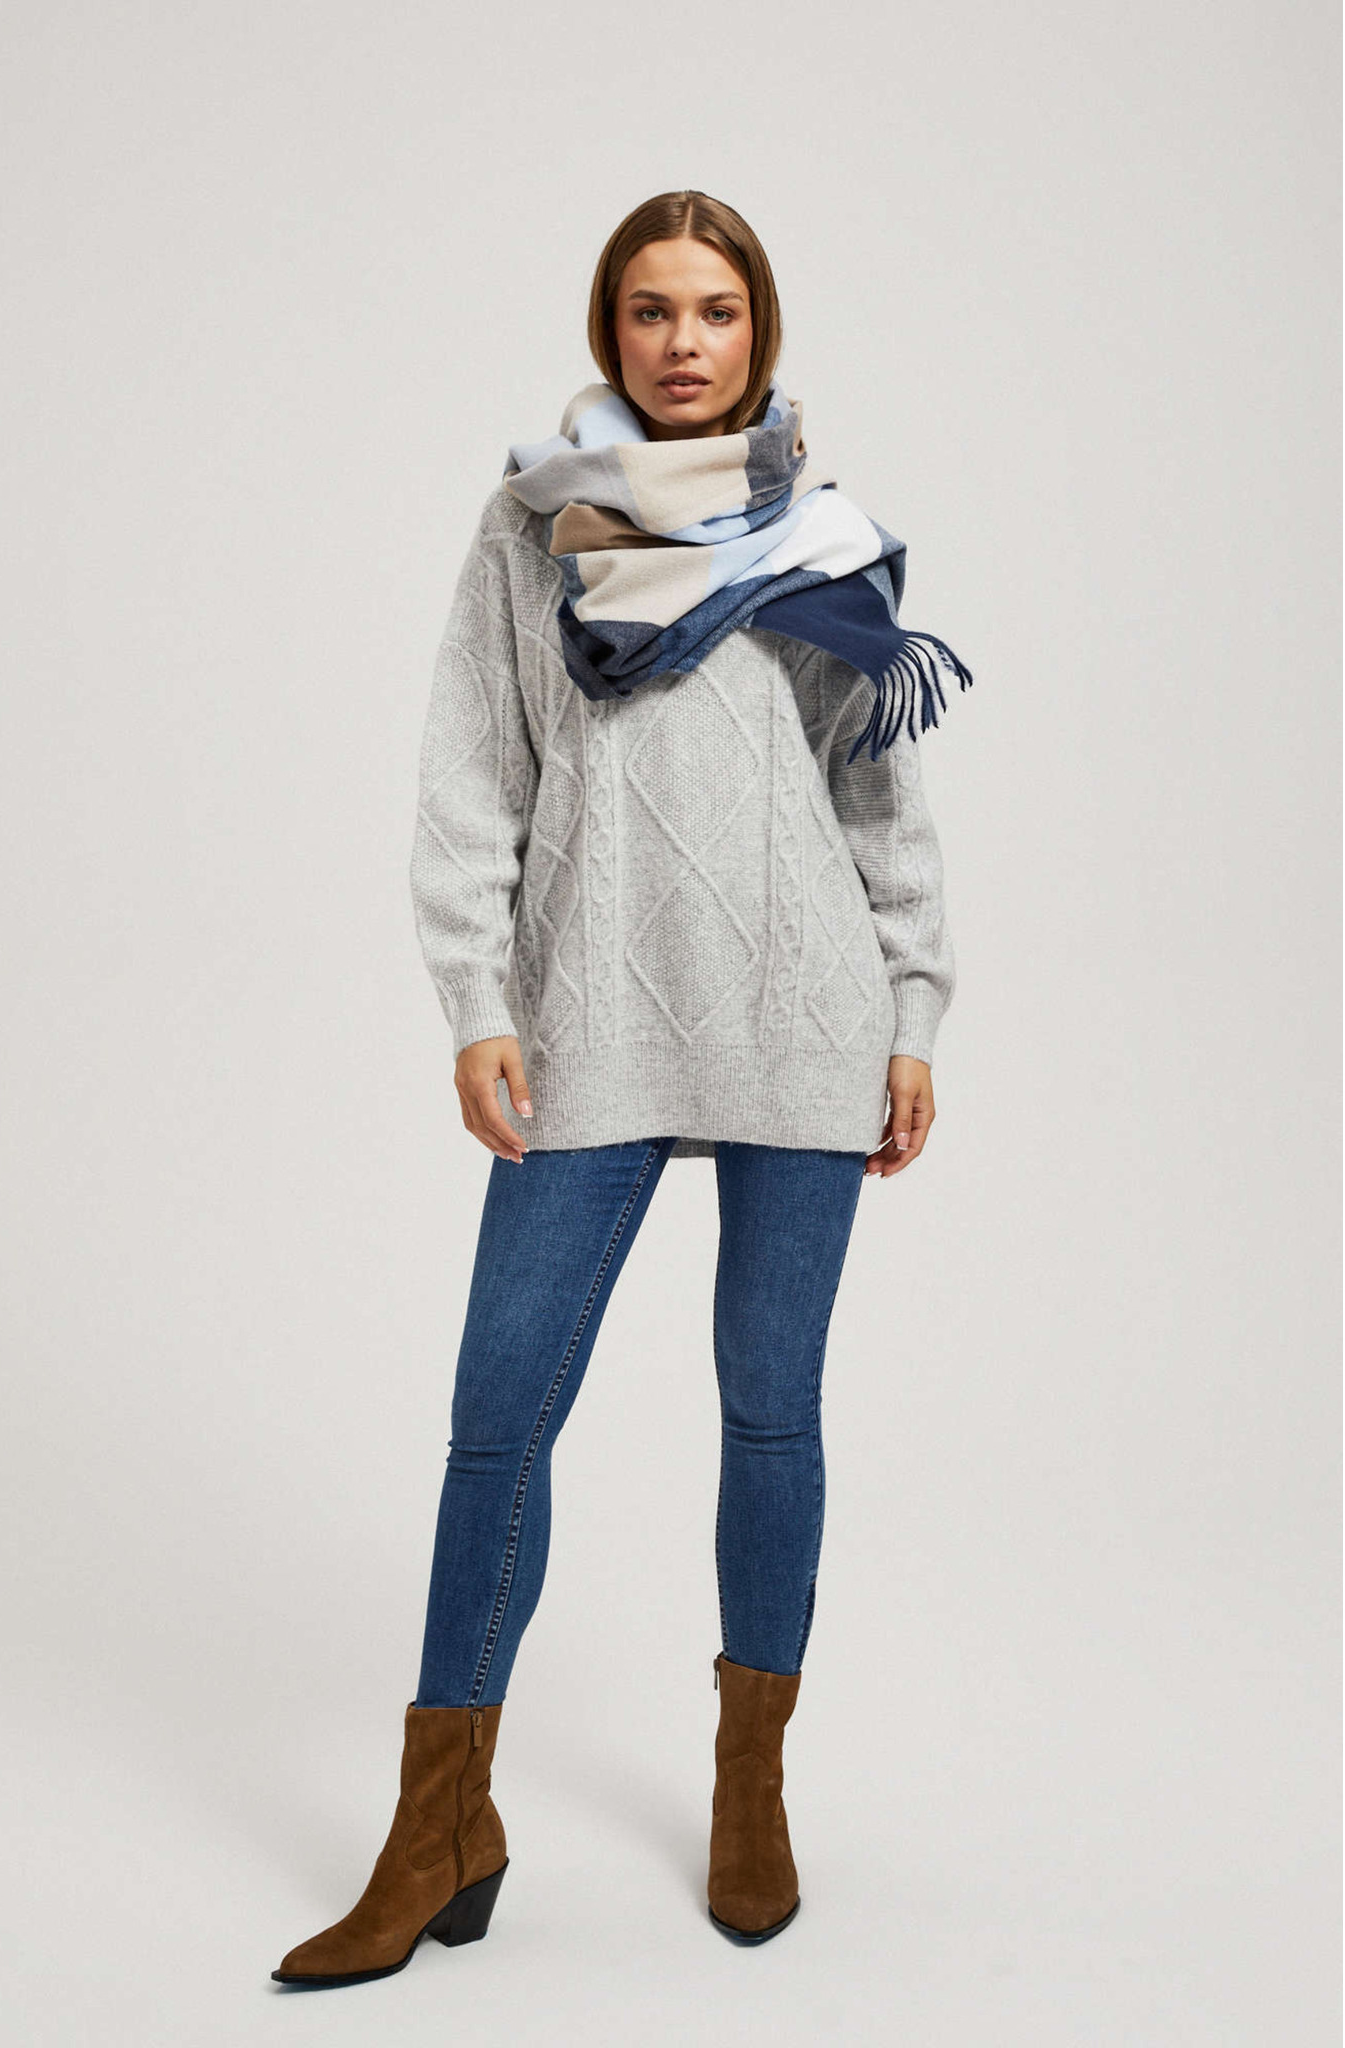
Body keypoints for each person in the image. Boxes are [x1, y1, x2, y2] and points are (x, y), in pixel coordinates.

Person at [272, 188, 971, 1989]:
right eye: (652, 310)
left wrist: (911, 1009)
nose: (683, 341)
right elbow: (471, 766)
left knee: (771, 1413)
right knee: (497, 1418)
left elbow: (880, 795)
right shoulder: (537, 525)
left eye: (715, 310)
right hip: (591, 1010)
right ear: (612, 331)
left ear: (759, 331)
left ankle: (753, 1784)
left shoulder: (821, 535)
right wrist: (474, 996)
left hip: (804, 1023)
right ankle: (441, 1824)